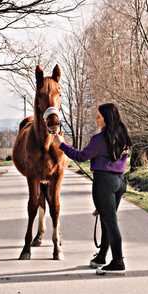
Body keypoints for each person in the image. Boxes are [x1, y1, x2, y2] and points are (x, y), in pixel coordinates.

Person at [53, 103, 132, 275]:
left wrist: (62, 144)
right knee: (107, 220)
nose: (96, 118)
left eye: (99, 116)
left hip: (104, 182)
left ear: (106, 118)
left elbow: (81, 156)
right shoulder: (123, 134)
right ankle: (101, 257)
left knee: (110, 223)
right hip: (120, 181)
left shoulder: (100, 139)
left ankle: (118, 262)